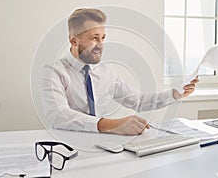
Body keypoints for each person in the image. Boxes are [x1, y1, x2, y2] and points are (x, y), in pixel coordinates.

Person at [41, 8, 199, 136]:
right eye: (94, 38)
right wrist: (114, 125)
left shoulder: (107, 71)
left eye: (103, 37)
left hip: (102, 145)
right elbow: (58, 115)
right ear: (73, 40)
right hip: (66, 147)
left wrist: (175, 94)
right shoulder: (53, 71)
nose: (101, 44)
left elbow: (137, 100)